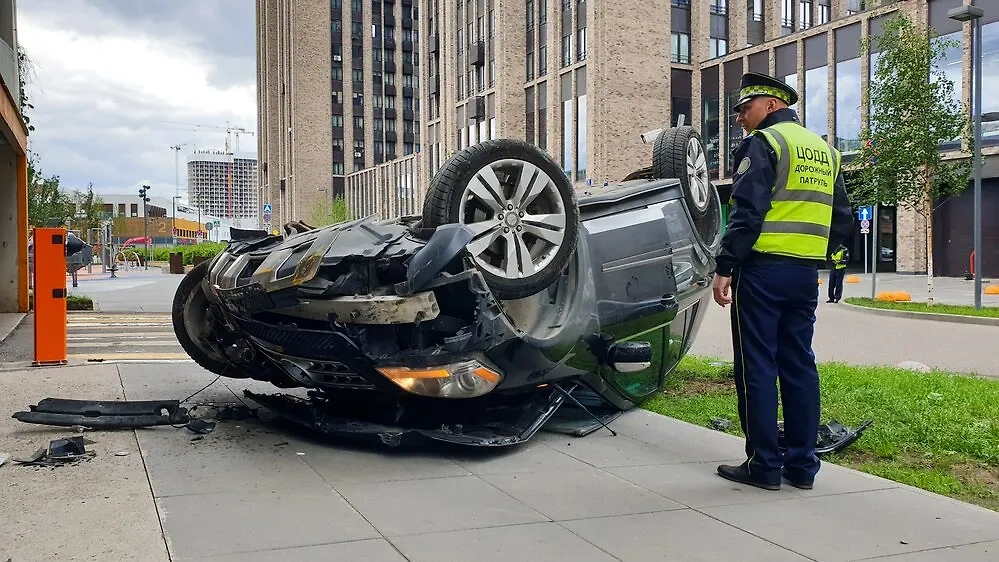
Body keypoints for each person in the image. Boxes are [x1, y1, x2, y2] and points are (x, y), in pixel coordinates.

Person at [710, 72, 853, 491]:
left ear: (771, 105)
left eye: (745, 108)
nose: (739, 117)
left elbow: (747, 213)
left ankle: (764, 467)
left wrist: (725, 267)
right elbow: (841, 220)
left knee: (757, 366)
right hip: (804, 274)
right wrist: (824, 262)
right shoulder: (826, 151)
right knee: (799, 365)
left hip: (763, 272)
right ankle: (803, 468)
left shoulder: (765, 143)